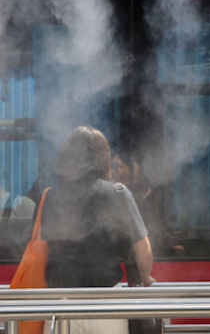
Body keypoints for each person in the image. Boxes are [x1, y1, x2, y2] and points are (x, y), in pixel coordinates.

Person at [39, 125, 155, 334]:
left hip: (61, 305)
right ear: (103, 158)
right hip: (107, 307)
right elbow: (142, 249)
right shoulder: (118, 193)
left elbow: (42, 251)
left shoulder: (51, 197)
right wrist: (145, 278)